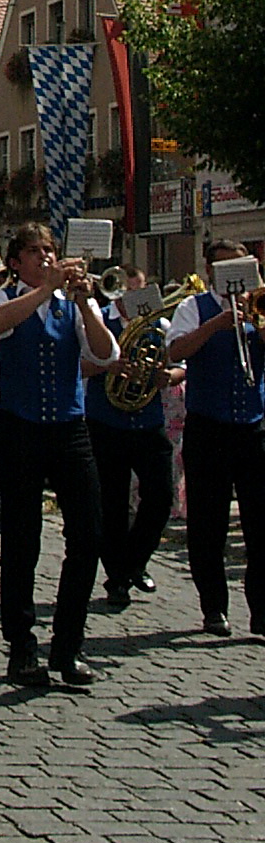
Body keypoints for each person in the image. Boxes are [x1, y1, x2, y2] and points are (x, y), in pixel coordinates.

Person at [0, 222, 117, 688]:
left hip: (69, 427)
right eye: (35, 252)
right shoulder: (0, 297)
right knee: (22, 540)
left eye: (50, 250)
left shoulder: (71, 303)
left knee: (88, 535)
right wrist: (44, 290)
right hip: (20, 428)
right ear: (16, 262)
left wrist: (85, 303)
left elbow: (106, 354)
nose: (46, 258)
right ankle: (21, 647)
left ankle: (68, 645)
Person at [166, 239, 265, 639]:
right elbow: (176, 350)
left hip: (254, 427)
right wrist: (215, 325)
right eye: (224, 267)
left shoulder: (258, 305)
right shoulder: (194, 307)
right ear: (209, 271)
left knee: (260, 523)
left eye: (240, 266)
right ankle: (214, 607)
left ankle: (261, 611)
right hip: (209, 428)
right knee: (208, 524)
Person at [84, 267, 183, 610]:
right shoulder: (98, 321)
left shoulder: (160, 325)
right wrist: (107, 365)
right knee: (112, 505)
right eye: (127, 291)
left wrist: (168, 375)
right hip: (106, 421)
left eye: (140, 290)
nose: (134, 297)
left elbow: (180, 365)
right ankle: (117, 579)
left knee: (161, 496)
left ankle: (135, 561)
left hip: (148, 421)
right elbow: (78, 365)